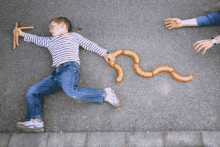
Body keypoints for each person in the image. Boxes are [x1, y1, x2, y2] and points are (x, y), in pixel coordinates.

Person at [14, 16, 119, 133]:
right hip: (56, 74)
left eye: (52, 27)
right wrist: (21, 34)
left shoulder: (73, 36)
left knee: (71, 91)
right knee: (33, 91)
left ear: (62, 26)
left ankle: (105, 94)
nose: (50, 30)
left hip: (70, 67)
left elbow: (89, 44)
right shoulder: (50, 41)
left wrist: (104, 53)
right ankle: (36, 121)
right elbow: (37, 39)